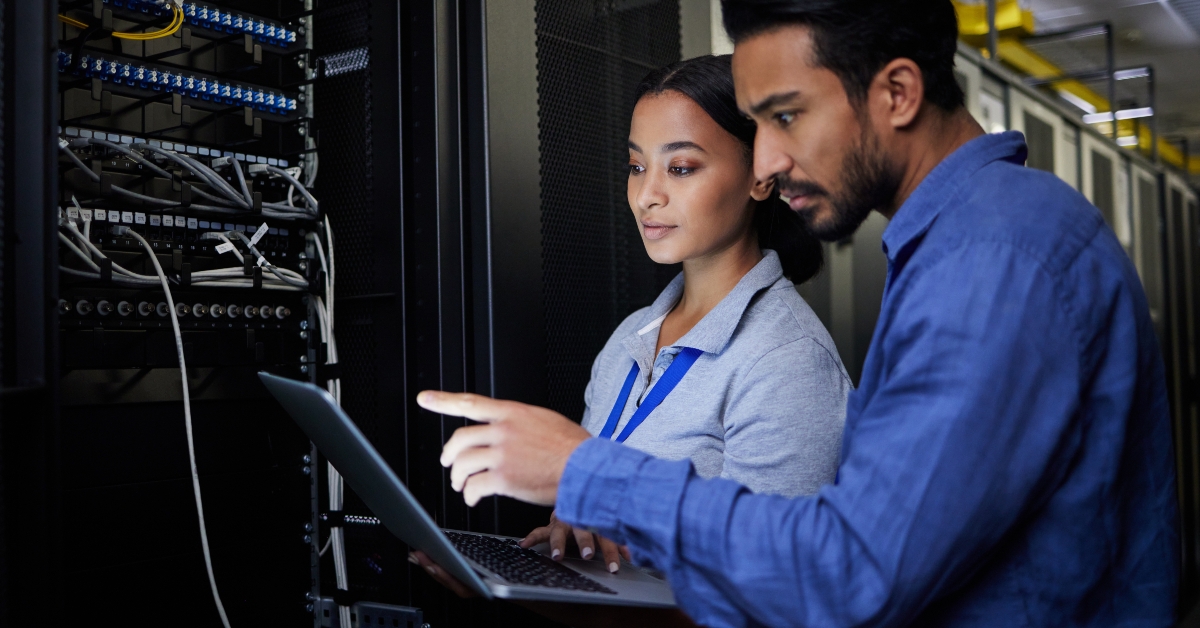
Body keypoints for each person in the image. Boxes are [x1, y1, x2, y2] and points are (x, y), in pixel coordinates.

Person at [419, 0, 1179, 626]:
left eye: (786, 117)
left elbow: (852, 574)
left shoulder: (994, 261)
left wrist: (590, 473)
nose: (768, 160)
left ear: (898, 93)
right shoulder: (964, 245)